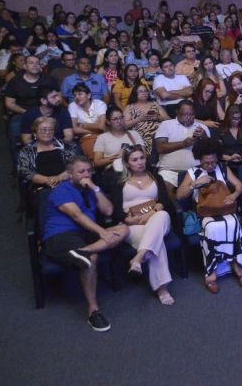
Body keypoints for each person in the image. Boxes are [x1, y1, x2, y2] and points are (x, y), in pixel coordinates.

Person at [41, 156, 129, 331]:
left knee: (123, 230)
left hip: (84, 237)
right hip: (60, 235)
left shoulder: (90, 189)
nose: (86, 175)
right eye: (81, 172)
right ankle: (93, 310)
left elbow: (109, 210)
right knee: (92, 259)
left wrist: (95, 188)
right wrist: (102, 232)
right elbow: (76, 216)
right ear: (69, 174)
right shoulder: (61, 190)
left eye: (89, 171)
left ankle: (81, 251)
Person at [176, 138, 242, 294]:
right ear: (199, 159)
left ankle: (237, 263)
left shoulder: (222, 167)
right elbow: (180, 195)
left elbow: (239, 185)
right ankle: (211, 273)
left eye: (213, 162)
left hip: (224, 207)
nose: (210, 166)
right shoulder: (193, 172)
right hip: (205, 211)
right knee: (212, 227)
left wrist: (234, 195)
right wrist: (194, 184)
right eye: (206, 163)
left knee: (233, 223)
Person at [118, 146, 174, 305]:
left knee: (162, 215)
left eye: (142, 158)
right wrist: (125, 218)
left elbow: (165, 202)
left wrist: (152, 212)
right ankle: (162, 288)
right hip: (133, 224)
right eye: (134, 160)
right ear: (127, 163)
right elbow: (115, 208)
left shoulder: (156, 176)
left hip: (157, 218)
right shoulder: (119, 181)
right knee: (156, 241)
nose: (140, 162)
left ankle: (138, 258)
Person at [17, 117, 78, 216]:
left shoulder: (66, 146)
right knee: (47, 201)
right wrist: (47, 180)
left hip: (67, 183)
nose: (47, 132)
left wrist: (58, 178)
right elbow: (25, 172)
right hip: (41, 188)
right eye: (43, 129)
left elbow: (75, 165)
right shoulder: (27, 150)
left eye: (50, 129)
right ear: (35, 132)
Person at [154, 100, 210, 196]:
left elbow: (211, 151)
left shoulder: (202, 127)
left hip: (195, 170)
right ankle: (176, 211)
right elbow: (160, 148)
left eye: (192, 115)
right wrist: (183, 144)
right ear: (177, 112)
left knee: (206, 193)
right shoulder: (166, 124)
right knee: (165, 191)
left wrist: (204, 138)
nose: (188, 118)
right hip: (170, 171)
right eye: (185, 115)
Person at [123, 84, 169, 154]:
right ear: (135, 94)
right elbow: (124, 125)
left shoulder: (155, 104)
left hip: (159, 134)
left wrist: (158, 117)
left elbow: (168, 120)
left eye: (145, 91)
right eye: (140, 91)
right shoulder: (129, 107)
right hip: (141, 136)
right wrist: (139, 119)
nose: (144, 93)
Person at [68, 83, 107, 158]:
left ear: (89, 95)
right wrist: (94, 131)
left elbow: (101, 126)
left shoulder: (99, 104)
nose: (77, 97)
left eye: (80, 94)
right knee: (94, 155)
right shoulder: (72, 106)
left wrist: (83, 125)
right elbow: (73, 129)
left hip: (103, 135)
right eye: (75, 95)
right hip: (86, 137)